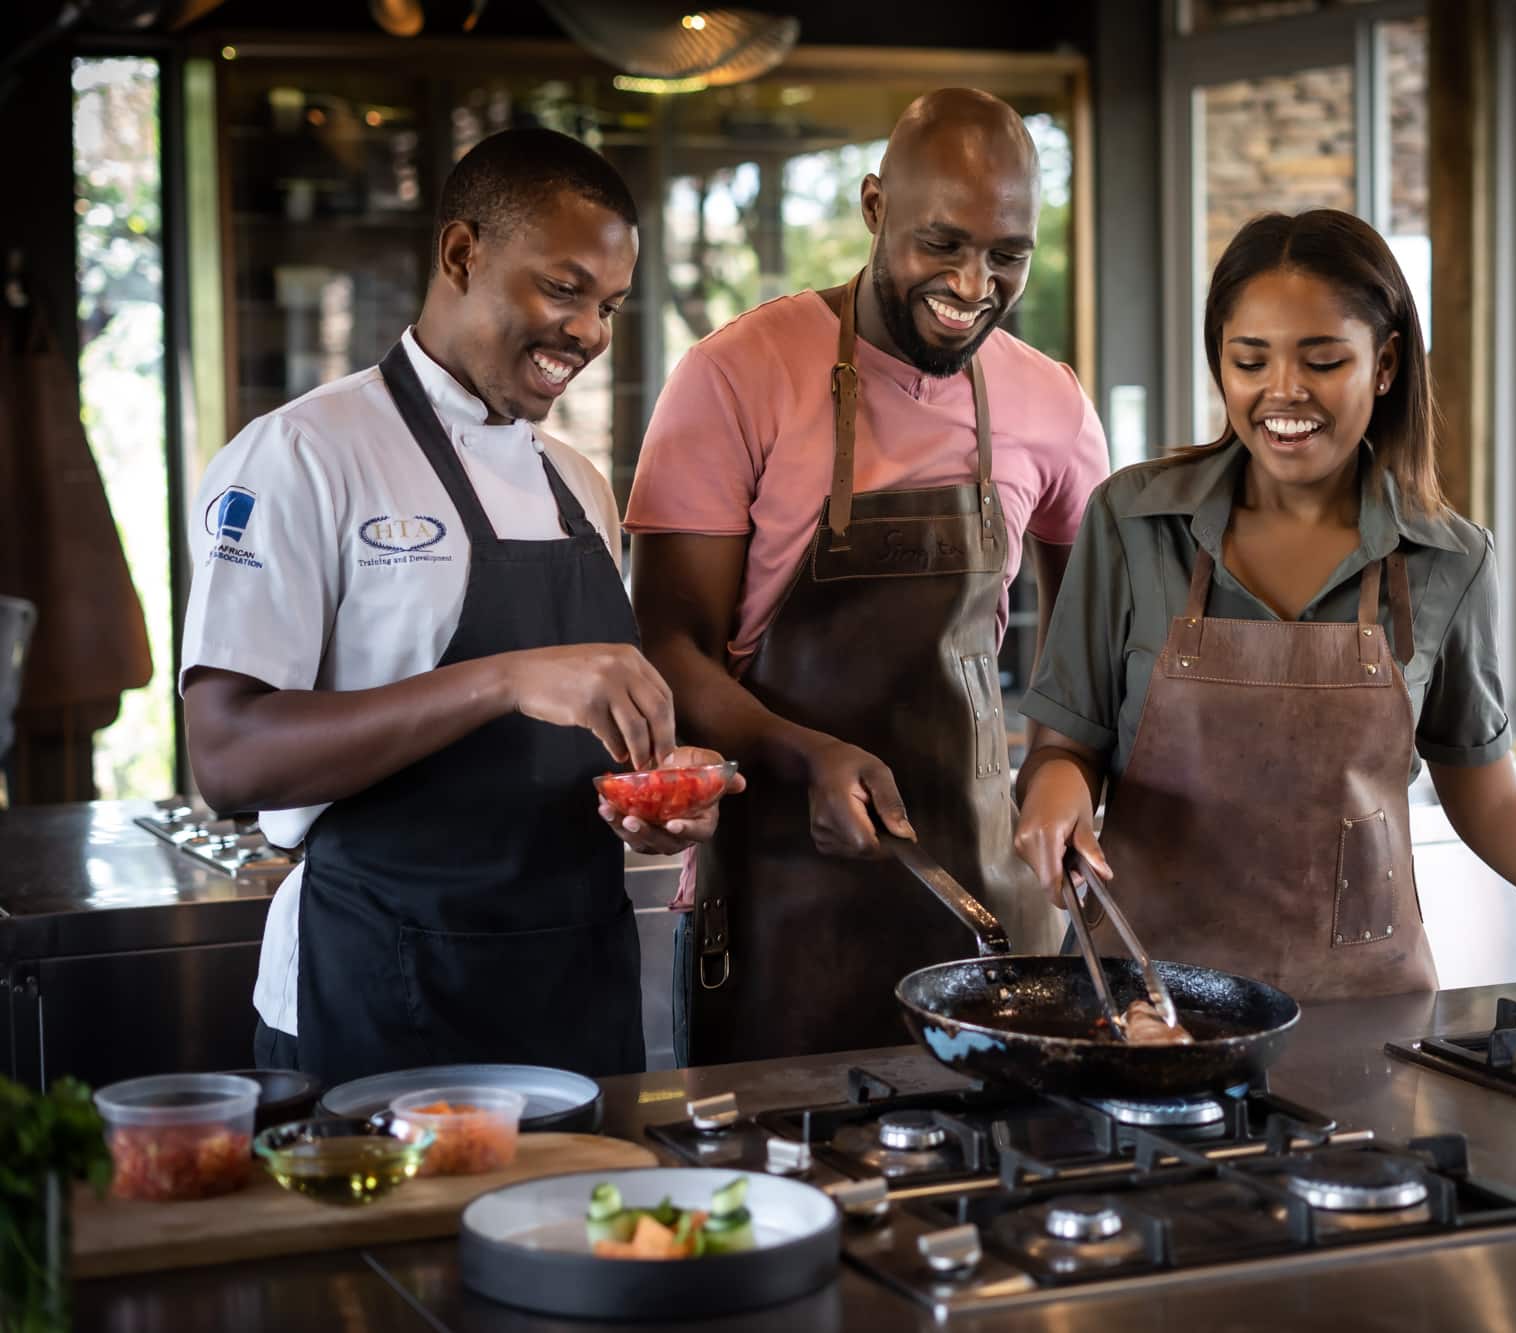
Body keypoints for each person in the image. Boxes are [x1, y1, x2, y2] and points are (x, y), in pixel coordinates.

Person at [1012, 209, 1516, 1001]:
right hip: (1141, 1006)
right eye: (1250, 359)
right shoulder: (1133, 520)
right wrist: (1056, 784)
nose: (1283, 391)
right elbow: (1065, 742)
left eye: (1323, 360)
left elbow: (1492, 803)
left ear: (1385, 362)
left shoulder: (1449, 560)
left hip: (1364, 1016)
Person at [180, 128, 736, 1086]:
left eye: (607, 306)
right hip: (379, 993)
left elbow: (567, 750)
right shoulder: (304, 456)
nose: (592, 334)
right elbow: (227, 758)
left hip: (576, 995)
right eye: (563, 290)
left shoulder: (578, 484)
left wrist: (647, 811)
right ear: (460, 254)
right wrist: (506, 679)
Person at [625, 89, 1111, 1063]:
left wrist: (1061, 774)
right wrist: (801, 751)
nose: (974, 283)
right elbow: (666, 647)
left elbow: (1087, 648)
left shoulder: (1048, 400)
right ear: (873, 205)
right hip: (779, 897)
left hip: (987, 905)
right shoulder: (734, 375)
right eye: (943, 244)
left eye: (1006, 253)